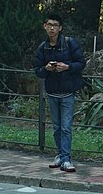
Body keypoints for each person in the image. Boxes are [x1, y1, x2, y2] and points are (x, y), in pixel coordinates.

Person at [33, 13, 86, 173]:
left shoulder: (70, 43)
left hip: (68, 92)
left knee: (66, 127)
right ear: (44, 26)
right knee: (56, 127)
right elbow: (37, 70)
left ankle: (66, 159)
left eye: (55, 25)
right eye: (49, 25)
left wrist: (67, 67)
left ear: (60, 28)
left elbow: (81, 63)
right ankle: (60, 155)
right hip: (52, 92)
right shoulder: (43, 47)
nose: (52, 28)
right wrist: (46, 69)